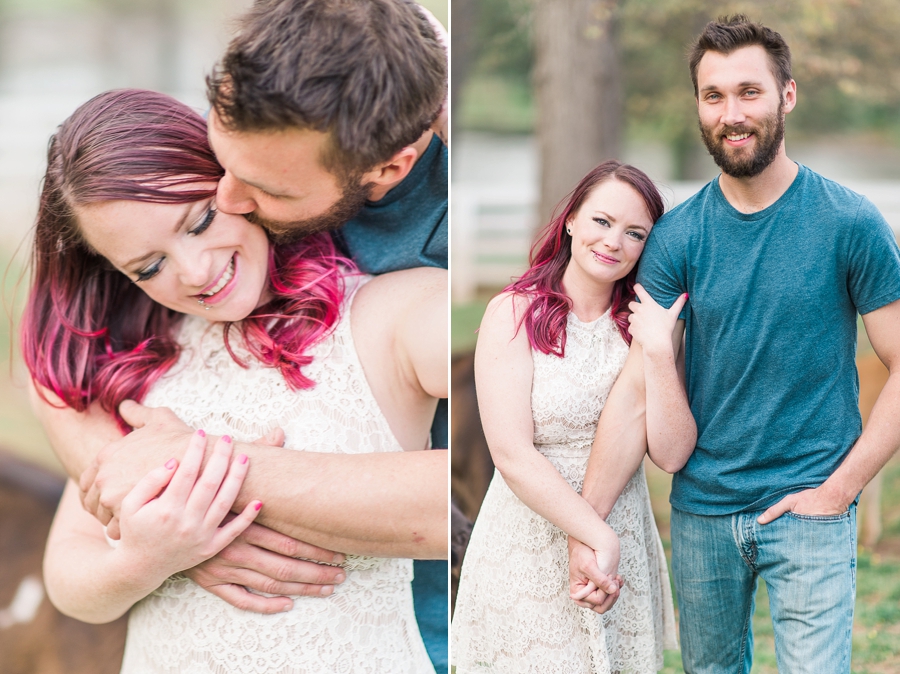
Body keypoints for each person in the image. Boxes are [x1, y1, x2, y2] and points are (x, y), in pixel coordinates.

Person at [31, 0, 451, 670]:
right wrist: (152, 548)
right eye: (148, 266)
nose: (230, 197)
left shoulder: (396, 302)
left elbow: (478, 482)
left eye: (202, 219)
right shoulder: (146, 356)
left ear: (387, 170)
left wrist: (198, 474)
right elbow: (75, 561)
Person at [571, 15, 900, 673]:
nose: (732, 112)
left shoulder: (850, 223)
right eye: (713, 95)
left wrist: (839, 492)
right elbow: (639, 392)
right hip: (701, 519)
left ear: (787, 95)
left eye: (749, 91)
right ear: (698, 105)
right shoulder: (676, 239)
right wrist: (589, 522)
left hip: (811, 509)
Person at [451, 161, 679, 673]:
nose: (614, 242)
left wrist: (661, 354)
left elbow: (669, 453)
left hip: (623, 526)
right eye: (602, 221)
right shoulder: (513, 312)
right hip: (527, 537)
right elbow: (511, 453)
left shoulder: (649, 328)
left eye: (635, 232)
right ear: (571, 219)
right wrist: (596, 536)